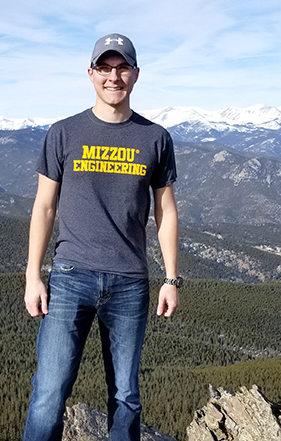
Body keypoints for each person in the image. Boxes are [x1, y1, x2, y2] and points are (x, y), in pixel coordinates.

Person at [23, 33, 181, 441]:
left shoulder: (155, 138)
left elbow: (165, 211)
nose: (114, 76)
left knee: (126, 395)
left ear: (136, 74)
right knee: (49, 391)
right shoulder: (63, 133)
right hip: (71, 276)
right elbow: (43, 207)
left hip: (130, 282)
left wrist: (171, 278)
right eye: (105, 68)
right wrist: (33, 275)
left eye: (122, 67)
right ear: (90, 73)